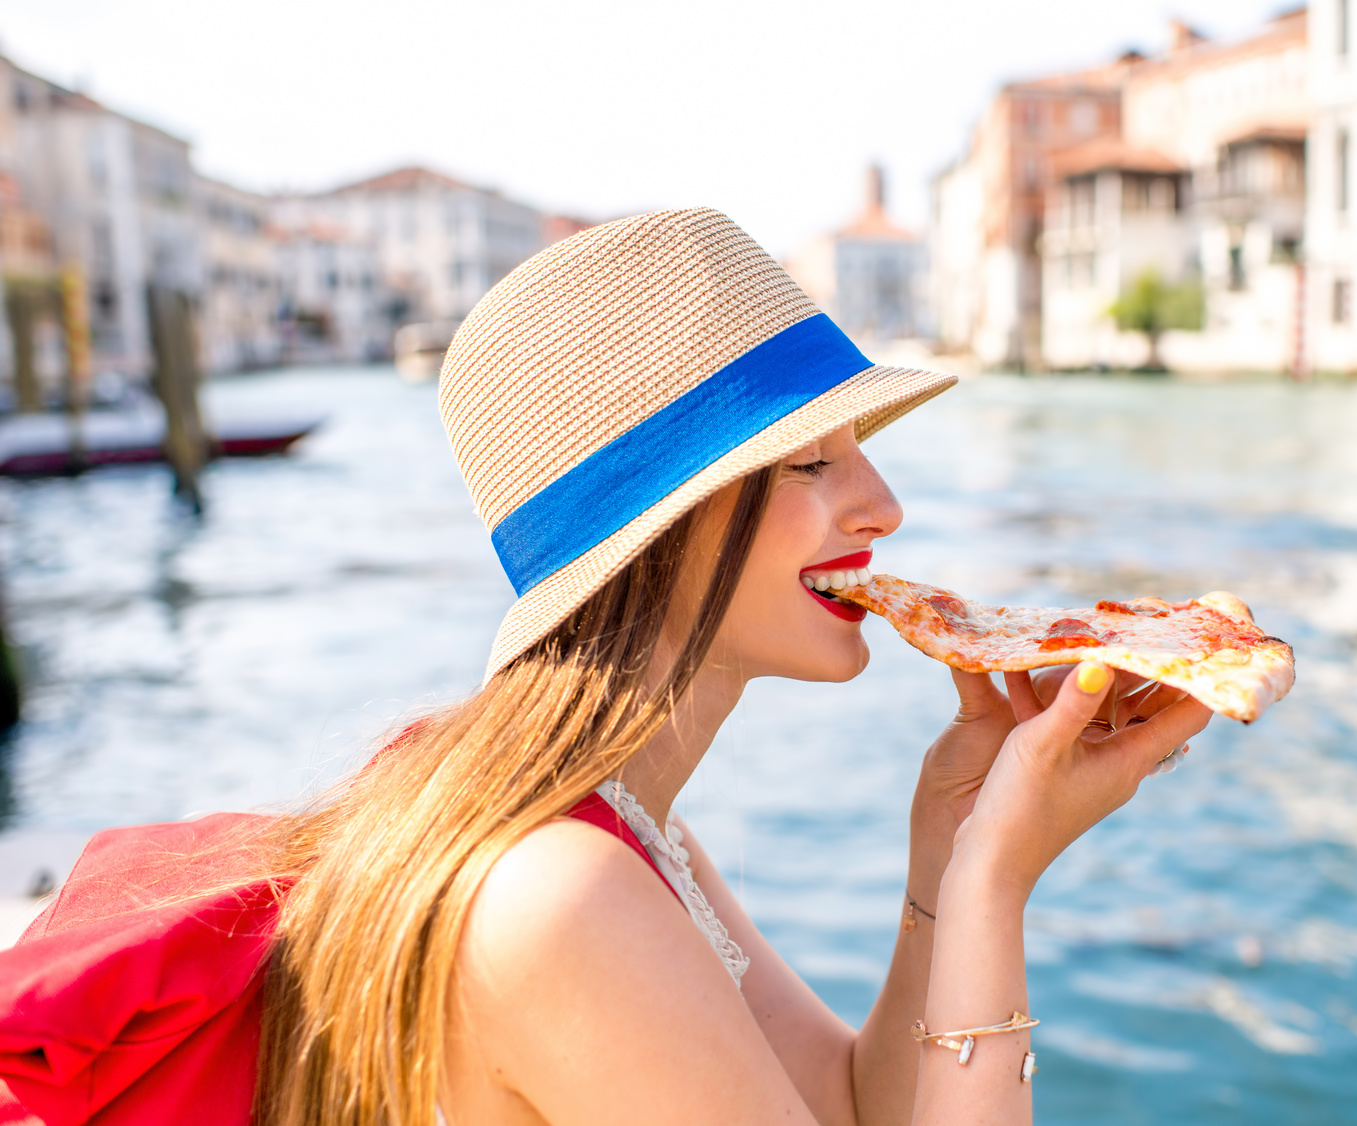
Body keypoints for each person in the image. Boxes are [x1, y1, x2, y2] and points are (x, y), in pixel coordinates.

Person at [0, 209, 1209, 1126]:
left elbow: (850, 1102)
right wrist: (1000, 879)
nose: (882, 506)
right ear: (661, 522)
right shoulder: (561, 892)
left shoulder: (623, 829)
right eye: (808, 463)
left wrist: (950, 846)